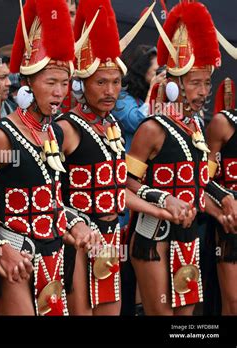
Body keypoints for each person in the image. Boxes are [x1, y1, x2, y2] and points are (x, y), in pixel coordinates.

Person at [0, 0, 98, 316]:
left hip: (53, 255)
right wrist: (3, 250)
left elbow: (52, 200)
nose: (59, 92)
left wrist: (77, 223)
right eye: (51, 83)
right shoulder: (0, 137)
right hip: (12, 258)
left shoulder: (55, 134)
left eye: (64, 84)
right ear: (28, 82)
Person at [57, 0, 164, 315]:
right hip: (75, 243)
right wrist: (76, 227)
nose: (109, 90)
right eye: (100, 82)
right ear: (81, 83)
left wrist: (160, 207)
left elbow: (116, 190)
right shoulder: (66, 129)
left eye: (116, 82)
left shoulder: (113, 127)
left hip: (110, 237)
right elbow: (46, 196)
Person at [125, 1, 232, 315]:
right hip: (152, 235)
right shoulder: (153, 128)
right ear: (174, 86)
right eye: (194, 83)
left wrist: (223, 200)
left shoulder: (198, 125)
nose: (202, 91)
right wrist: (164, 200)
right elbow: (126, 184)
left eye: (206, 82)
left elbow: (199, 181)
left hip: (188, 236)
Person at [205, 77, 237, 315]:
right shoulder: (223, 123)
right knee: (233, 301)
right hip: (230, 224)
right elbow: (202, 178)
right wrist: (225, 201)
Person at [113, 45, 166, 152]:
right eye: (156, 71)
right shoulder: (121, 97)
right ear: (142, 70)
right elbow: (137, 123)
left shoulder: (152, 96)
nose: (160, 75)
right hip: (130, 162)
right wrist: (153, 89)